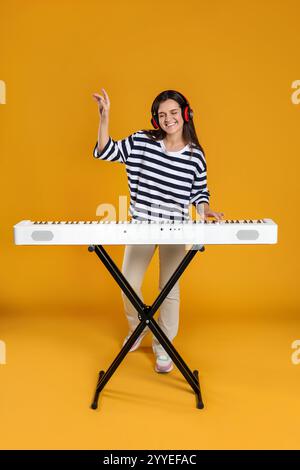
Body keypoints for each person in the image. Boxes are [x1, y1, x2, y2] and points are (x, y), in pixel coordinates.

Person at [92, 88, 224, 373]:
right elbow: (106, 151)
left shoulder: (196, 156)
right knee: (128, 280)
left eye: (174, 113)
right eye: (162, 115)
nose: (168, 119)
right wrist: (104, 117)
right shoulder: (142, 141)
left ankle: (164, 343)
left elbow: (199, 193)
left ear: (185, 114)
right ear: (156, 120)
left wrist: (206, 211)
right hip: (141, 225)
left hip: (176, 229)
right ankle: (139, 326)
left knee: (169, 287)